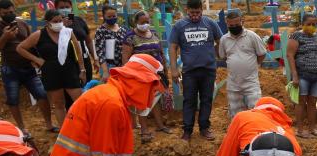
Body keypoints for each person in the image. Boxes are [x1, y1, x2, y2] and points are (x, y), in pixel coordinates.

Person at [0, 0, 55, 134]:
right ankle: (21, 128)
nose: (9, 15)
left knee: (42, 95)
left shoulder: (23, 24)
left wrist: (37, 60)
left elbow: (31, 43)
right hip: (10, 69)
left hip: (28, 67)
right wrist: (5, 37)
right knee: (13, 100)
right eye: (5, 13)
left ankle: (49, 124)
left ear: (15, 11)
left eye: (11, 12)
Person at [16, 9, 85, 127]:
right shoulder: (39, 35)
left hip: (69, 70)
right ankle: (65, 131)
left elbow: (78, 51)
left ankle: (83, 127)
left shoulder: (68, 32)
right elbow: (20, 48)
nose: (58, 23)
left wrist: (82, 69)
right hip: (51, 72)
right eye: (55, 21)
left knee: (80, 102)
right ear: (47, 22)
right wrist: (36, 60)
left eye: (60, 20)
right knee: (58, 104)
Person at [169, 0, 223, 141]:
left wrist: (219, 55)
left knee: (206, 99)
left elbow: (221, 40)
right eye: (192, 13)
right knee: (189, 100)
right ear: (187, 10)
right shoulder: (179, 26)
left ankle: (204, 128)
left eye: (197, 12)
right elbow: (173, 47)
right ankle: (187, 130)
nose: (195, 16)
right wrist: (174, 69)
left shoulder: (210, 23)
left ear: (202, 10)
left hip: (209, 69)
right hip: (189, 71)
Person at [123, 10, 171, 142]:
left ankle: (160, 126)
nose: (145, 24)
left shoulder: (154, 34)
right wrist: (130, 75)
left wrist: (165, 70)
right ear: (135, 22)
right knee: (141, 102)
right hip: (140, 75)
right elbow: (126, 59)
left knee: (155, 101)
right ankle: (144, 130)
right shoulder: (130, 38)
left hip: (156, 74)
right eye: (142, 22)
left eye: (147, 21)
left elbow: (161, 53)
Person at [287, 10, 317, 138]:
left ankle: (312, 129)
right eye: (309, 24)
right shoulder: (296, 36)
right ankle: (300, 130)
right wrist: (294, 75)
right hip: (302, 75)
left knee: (313, 102)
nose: (312, 26)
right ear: (303, 24)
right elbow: (290, 55)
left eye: (314, 24)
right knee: (301, 102)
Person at [218, 9, 266, 117]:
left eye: (237, 24)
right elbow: (223, 56)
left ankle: (255, 133)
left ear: (242, 21)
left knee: (256, 111)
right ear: (227, 23)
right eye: (231, 25)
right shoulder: (224, 40)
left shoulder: (252, 36)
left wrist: (253, 65)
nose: (234, 27)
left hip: (251, 82)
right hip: (233, 83)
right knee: (235, 114)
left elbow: (262, 54)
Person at [56, 0, 97, 84]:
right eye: (61, 8)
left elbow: (88, 41)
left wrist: (95, 59)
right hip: (68, 62)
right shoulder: (55, 24)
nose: (65, 9)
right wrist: (62, 26)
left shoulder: (79, 21)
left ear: (71, 8)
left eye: (67, 7)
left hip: (84, 59)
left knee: (86, 84)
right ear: (56, 9)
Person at [94, 5, 129, 79]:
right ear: (104, 17)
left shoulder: (123, 29)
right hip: (109, 67)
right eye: (109, 17)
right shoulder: (101, 31)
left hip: (123, 66)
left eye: (114, 16)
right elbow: (100, 53)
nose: (112, 18)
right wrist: (105, 71)